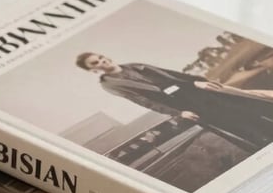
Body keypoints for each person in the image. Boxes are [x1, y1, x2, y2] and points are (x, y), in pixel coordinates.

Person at [76, 52, 273, 152]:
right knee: (235, 124)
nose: (102, 62)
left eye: (100, 57)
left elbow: (171, 75)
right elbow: (144, 101)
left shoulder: (135, 65)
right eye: (95, 63)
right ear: (93, 70)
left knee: (245, 109)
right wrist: (179, 113)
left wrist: (197, 81)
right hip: (183, 104)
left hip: (194, 91)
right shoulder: (111, 84)